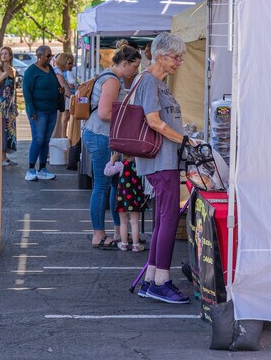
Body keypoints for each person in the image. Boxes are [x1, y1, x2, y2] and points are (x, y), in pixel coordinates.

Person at [133, 32, 192, 304]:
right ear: (160, 56)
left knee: (162, 221)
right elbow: (154, 121)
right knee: (167, 220)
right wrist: (184, 140)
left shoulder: (155, 82)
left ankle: (152, 279)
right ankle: (161, 281)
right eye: (175, 57)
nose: (179, 62)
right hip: (160, 160)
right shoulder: (149, 81)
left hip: (164, 159)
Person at [82, 40, 141, 249]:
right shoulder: (113, 80)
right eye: (134, 67)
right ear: (124, 63)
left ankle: (119, 231)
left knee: (116, 184)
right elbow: (105, 113)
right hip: (100, 136)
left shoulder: (109, 76)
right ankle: (98, 234)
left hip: (102, 136)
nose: (135, 71)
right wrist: (132, 118)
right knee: (102, 185)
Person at [22, 45, 60, 181]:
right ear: (40, 56)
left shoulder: (50, 69)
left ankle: (42, 168)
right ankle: (31, 169)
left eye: (51, 55)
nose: (50, 58)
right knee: (38, 139)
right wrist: (31, 110)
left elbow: (56, 84)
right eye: (48, 56)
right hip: (38, 111)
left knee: (45, 140)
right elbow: (27, 92)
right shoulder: (31, 71)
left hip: (51, 110)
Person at [104, 152, 146, 252]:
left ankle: (124, 244)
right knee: (135, 222)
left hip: (123, 197)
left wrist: (111, 161)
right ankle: (136, 245)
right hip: (136, 197)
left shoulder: (121, 165)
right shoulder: (139, 164)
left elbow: (106, 172)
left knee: (123, 222)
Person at [54, 53, 75, 138]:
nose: (70, 66)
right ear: (63, 62)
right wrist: (73, 98)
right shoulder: (58, 71)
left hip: (58, 100)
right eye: (69, 63)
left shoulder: (59, 71)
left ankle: (61, 137)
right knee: (57, 122)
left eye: (72, 63)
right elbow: (64, 87)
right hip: (56, 101)